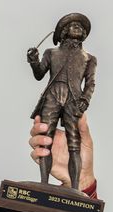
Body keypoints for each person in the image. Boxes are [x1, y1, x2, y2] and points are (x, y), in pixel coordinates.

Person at [28, 12, 96, 187]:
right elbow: (39, 74)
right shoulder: (51, 53)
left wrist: (85, 100)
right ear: (64, 31)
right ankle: (43, 184)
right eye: (74, 25)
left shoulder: (89, 58)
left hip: (73, 99)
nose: (79, 29)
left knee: (74, 143)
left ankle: (75, 187)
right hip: (52, 96)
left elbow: (90, 83)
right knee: (45, 140)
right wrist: (34, 61)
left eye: (81, 28)